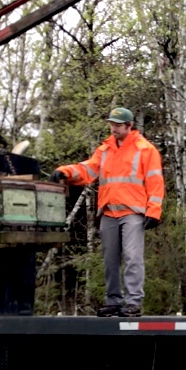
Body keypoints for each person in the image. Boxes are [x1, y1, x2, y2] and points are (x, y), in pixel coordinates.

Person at [51, 107, 164, 317]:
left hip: (133, 212)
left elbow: (155, 182)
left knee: (132, 258)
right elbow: (87, 170)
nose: (114, 129)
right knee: (110, 260)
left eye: (118, 125)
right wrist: (65, 171)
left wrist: (154, 211)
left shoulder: (145, 150)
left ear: (130, 126)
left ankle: (133, 304)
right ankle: (113, 302)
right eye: (112, 124)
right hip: (109, 212)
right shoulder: (105, 150)